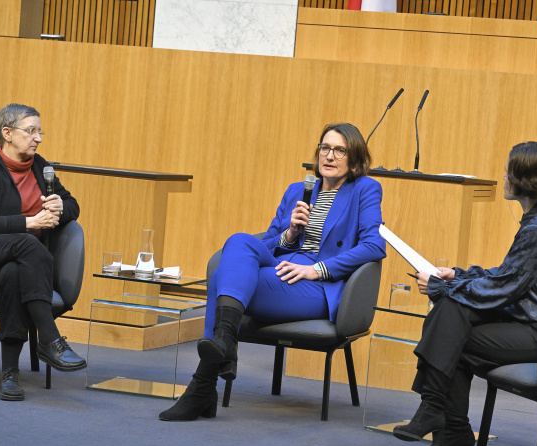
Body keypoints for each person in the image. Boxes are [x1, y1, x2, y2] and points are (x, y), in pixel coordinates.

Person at [160, 122, 387, 421]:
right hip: (282, 269)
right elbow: (267, 243)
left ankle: (206, 382)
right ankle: (221, 350)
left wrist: (318, 270)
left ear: (355, 160)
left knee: (220, 278)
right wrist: (290, 234)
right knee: (239, 241)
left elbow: (375, 245)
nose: (329, 156)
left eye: (340, 150)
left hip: (318, 285)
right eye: (325, 148)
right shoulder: (298, 190)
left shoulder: (365, 189)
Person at [394, 141, 537, 446]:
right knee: (452, 319)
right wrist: (457, 277)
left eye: (509, 172)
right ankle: (446, 423)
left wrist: (440, 287)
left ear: (525, 179)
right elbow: (507, 275)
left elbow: (503, 288)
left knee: (452, 327)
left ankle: (441, 417)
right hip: (524, 322)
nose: (504, 177)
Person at [0, 103, 86, 401]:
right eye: (31, 131)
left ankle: (10, 374)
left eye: (40, 131)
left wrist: (61, 208)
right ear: (7, 134)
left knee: (15, 271)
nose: (38, 138)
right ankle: (50, 340)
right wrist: (31, 222)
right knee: (27, 243)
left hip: (22, 262)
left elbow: (72, 205)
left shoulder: (41, 167)